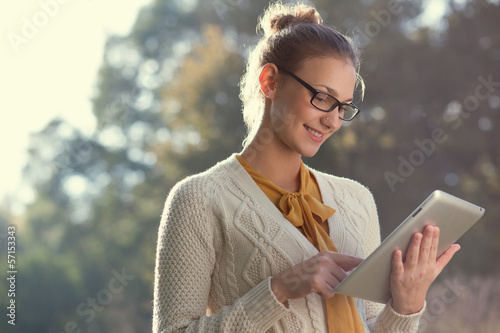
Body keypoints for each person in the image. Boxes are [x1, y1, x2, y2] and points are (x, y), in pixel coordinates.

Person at [152, 2, 460, 332]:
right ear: (270, 81)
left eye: (343, 107)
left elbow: (369, 324)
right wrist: (279, 289)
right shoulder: (198, 200)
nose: (332, 120)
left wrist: (406, 306)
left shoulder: (357, 200)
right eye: (323, 97)